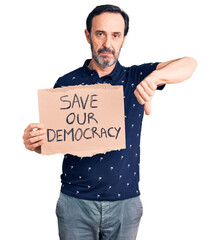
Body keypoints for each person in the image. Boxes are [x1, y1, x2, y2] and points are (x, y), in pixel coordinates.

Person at [23, 4, 197, 240]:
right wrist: (36, 143)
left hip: (125, 203)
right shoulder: (66, 83)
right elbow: (55, 140)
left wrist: (155, 78)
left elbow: (189, 64)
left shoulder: (136, 77)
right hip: (75, 202)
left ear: (123, 38)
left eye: (116, 35)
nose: (108, 43)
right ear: (88, 36)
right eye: (100, 34)